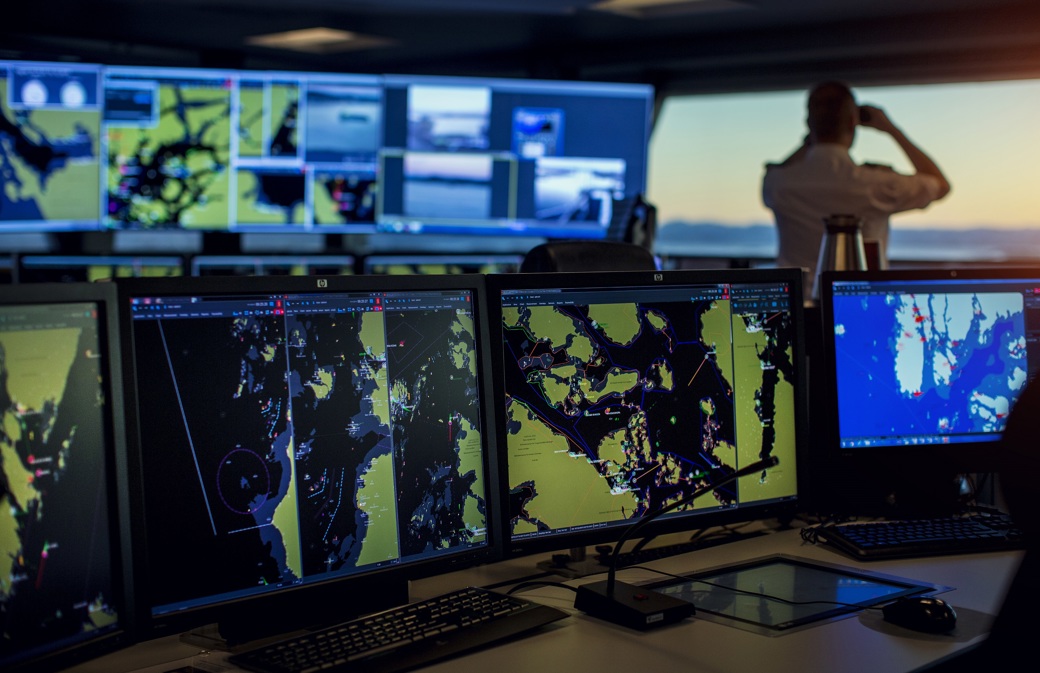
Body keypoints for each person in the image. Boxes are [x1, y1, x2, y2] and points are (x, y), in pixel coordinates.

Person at [762, 81, 951, 295]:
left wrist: (812, 138)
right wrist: (891, 129)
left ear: (808, 124)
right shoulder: (877, 183)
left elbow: (781, 168)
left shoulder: (778, 183)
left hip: (798, 310)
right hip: (861, 307)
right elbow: (940, 185)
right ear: (853, 122)